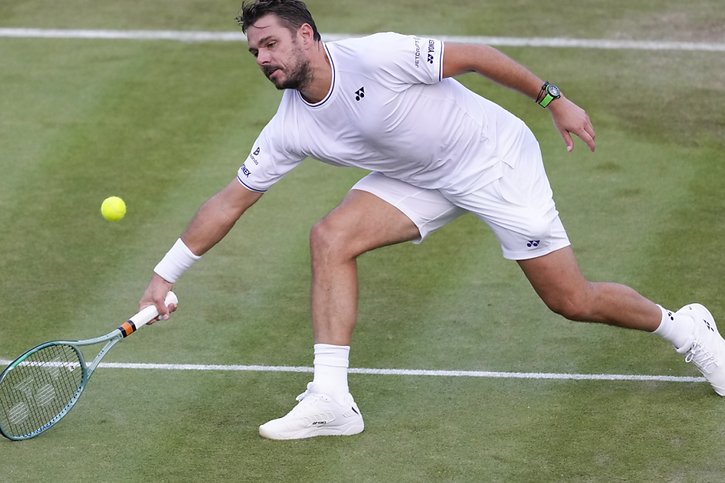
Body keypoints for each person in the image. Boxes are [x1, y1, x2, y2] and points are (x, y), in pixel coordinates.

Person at [139, 0, 725, 440]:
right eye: (254, 52)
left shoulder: (376, 55)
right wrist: (166, 274)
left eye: (269, 44)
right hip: (418, 177)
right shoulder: (291, 126)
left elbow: (475, 58)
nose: (262, 59)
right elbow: (229, 201)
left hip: (492, 160)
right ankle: (332, 399)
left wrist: (555, 100)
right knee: (331, 237)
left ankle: (687, 331)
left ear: (306, 36)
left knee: (570, 300)